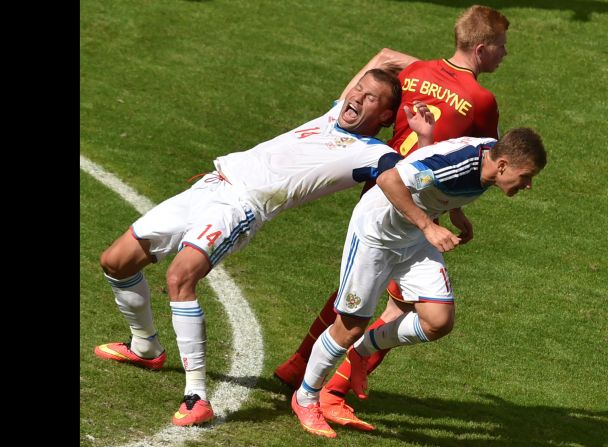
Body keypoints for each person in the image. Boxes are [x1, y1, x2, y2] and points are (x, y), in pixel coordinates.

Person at [92, 67, 432, 427]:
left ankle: (196, 397)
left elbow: (419, 181)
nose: (356, 98)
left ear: (383, 116)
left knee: (180, 278)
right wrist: (406, 65)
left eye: (370, 98)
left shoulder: (374, 155)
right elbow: (377, 62)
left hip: (240, 207)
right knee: (116, 262)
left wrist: (425, 138)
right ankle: (145, 347)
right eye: (357, 90)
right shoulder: (333, 115)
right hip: (210, 186)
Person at [274, 3, 510, 431]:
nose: (505, 56)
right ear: (482, 48)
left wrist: (339, 114)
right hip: (409, 205)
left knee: (360, 291)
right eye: (502, 48)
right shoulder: (482, 99)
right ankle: (329, 392)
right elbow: (475, 161)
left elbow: (383, 57)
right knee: (397, 303)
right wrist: (443, 214)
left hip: (382, 181)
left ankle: (297, 367)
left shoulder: (417, 70)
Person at [291, 127, 548, 438]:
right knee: (349, 327)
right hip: (377, 234)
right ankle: (305, 398)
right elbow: (389, 179)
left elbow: (441, 177)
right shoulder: (462, 164)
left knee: (438, 320)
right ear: (504, 165)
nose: (529, 185)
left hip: (411, 239)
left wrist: (455, 212)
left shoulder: (489, 159)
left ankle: (363, 351)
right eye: (527, 176)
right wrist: (428, 226)